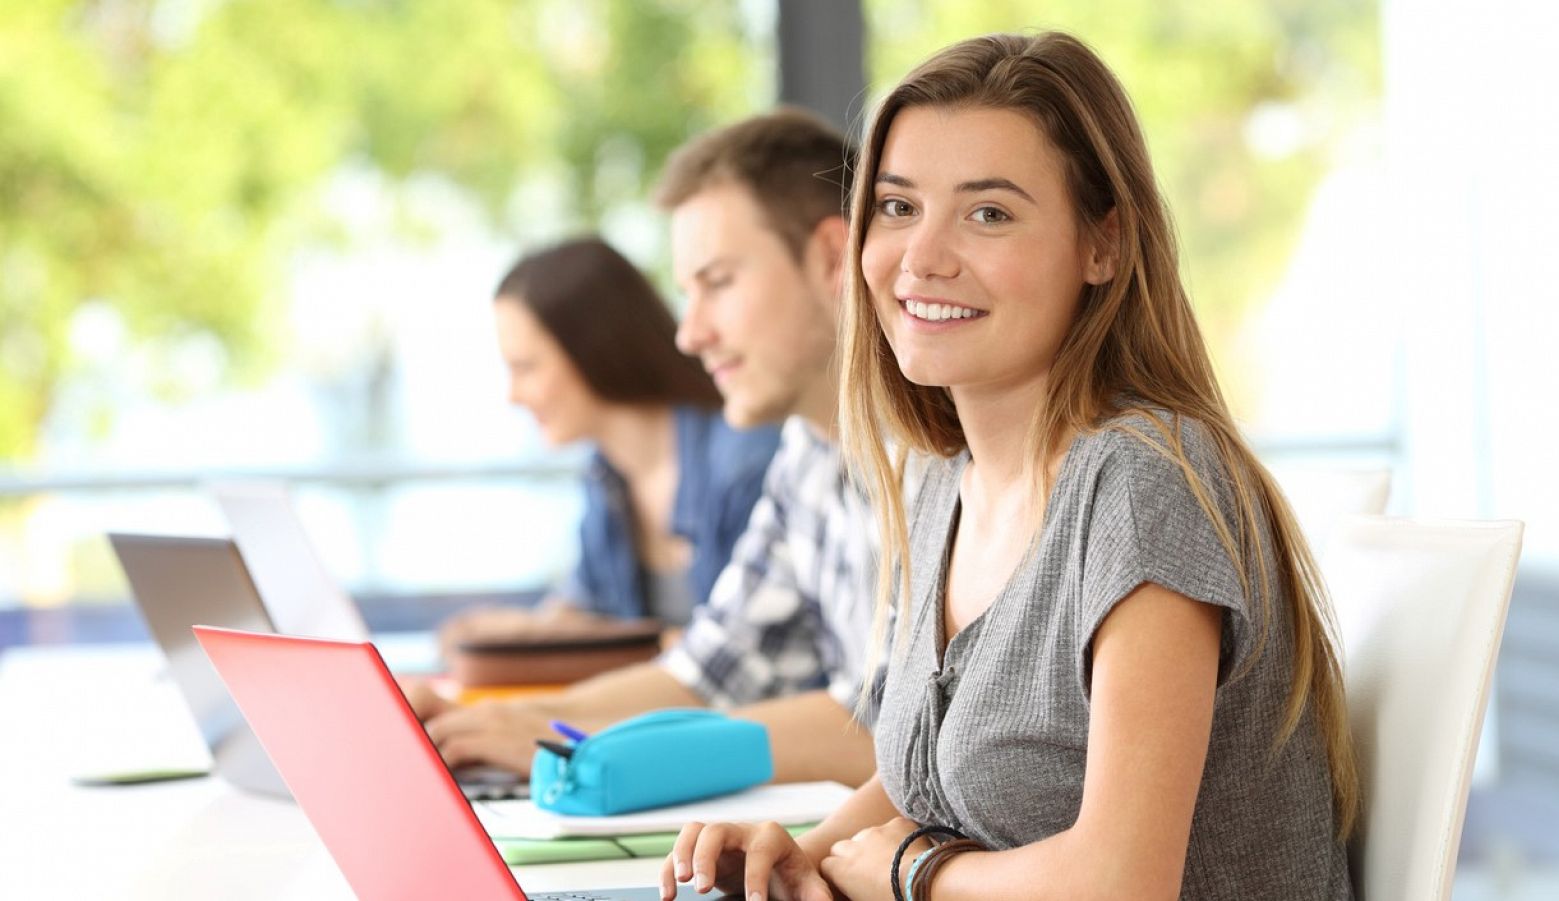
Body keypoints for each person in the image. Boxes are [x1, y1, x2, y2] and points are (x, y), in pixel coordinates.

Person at [663, 32, 1358, 901]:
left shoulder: (1144, 484)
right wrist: (801, 853)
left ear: (1102, 245)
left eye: (988, 213)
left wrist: (912, 871)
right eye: (899, 207)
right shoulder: (939, 481)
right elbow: (936, 775)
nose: (922, 257)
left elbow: (1121, 882)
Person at [408, 110, 883, 787]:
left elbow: (898, 733)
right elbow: (707, 672)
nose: (689, 334)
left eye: (718, 282)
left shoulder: (941, 455)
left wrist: (578, 743)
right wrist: (511, 720)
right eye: (687, 292)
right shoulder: (807, 456)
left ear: (834, 258)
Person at [436, 238, 781, 654]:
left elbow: (741, 658)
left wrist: (606, 643)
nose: (512, 395)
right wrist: (520, 631)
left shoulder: (747, 463)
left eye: (525, 367)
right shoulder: (606, 476)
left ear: (593, 350)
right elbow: (583, 610)